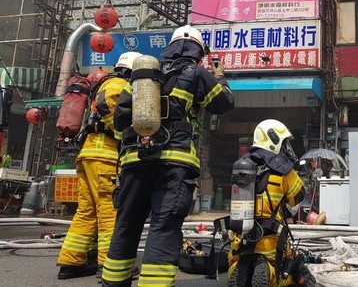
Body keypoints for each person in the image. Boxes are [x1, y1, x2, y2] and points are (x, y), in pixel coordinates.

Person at [101, 25, 235, 287]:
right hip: (174, 164)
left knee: (126, 224)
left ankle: (113, 283)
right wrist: (220, 77)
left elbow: (119, 119)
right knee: (164, 226)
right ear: (198, 51)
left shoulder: (142, 75)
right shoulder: (196, 72)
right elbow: (225, 103)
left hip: (134, 162)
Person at [57, 52, 141, 280]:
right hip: (104, 157)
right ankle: (108, 263)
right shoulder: (118, 83)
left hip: (89, 154)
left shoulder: (104, 83)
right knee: (109, 209)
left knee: (87, 210)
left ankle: (71, 263)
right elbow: (107, 105)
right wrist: (124, 133)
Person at [228, 119, 315, 287]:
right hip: (270, 243)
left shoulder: (241, 166)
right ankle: (269, 273)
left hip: (241, 241)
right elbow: (298, 196)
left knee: (235, 263)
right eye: (283, 143)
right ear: (273, 140)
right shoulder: (284, 170)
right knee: (288, 270)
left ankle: (237, 268)